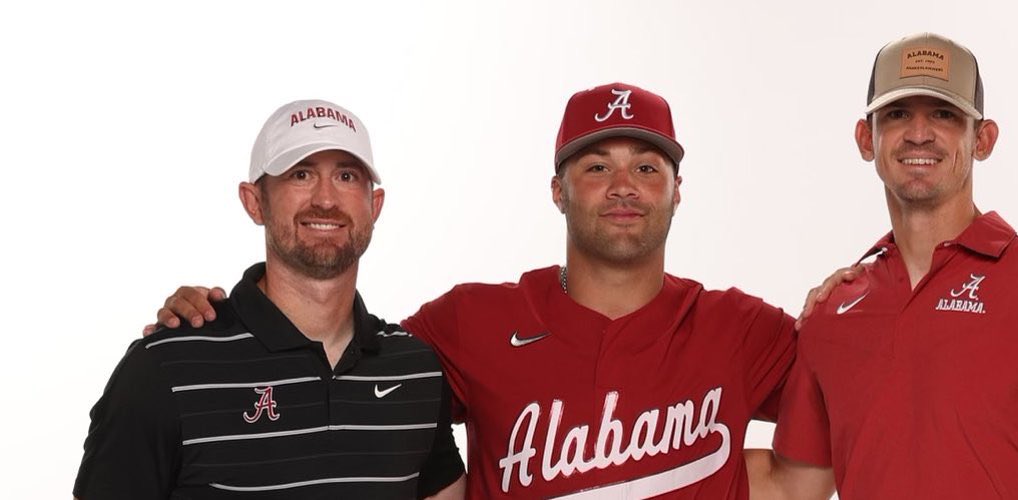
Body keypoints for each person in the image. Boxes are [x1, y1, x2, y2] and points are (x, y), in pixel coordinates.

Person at [145, 84, 832, 499]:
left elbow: (852, 395)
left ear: (678, 191)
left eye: (647, 167)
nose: (623, 186)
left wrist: (850, 297)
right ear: (557, 190)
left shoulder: (742, 328)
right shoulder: (469, 323)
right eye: (597, 166)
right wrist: (222, 326)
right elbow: (335, 377)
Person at [757, 33, 1018, 499]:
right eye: (897, 114)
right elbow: (791, 489)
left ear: (983, 139)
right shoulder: (830, 313)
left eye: (944, 114)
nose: (919, 133)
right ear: (865, 138)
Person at [74, 100, 464, 498]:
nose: (326, 199)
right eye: (301, 174)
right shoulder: (165, 367)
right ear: (254, 202)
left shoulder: (416, 372)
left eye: (346, 176)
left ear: (374, 206)